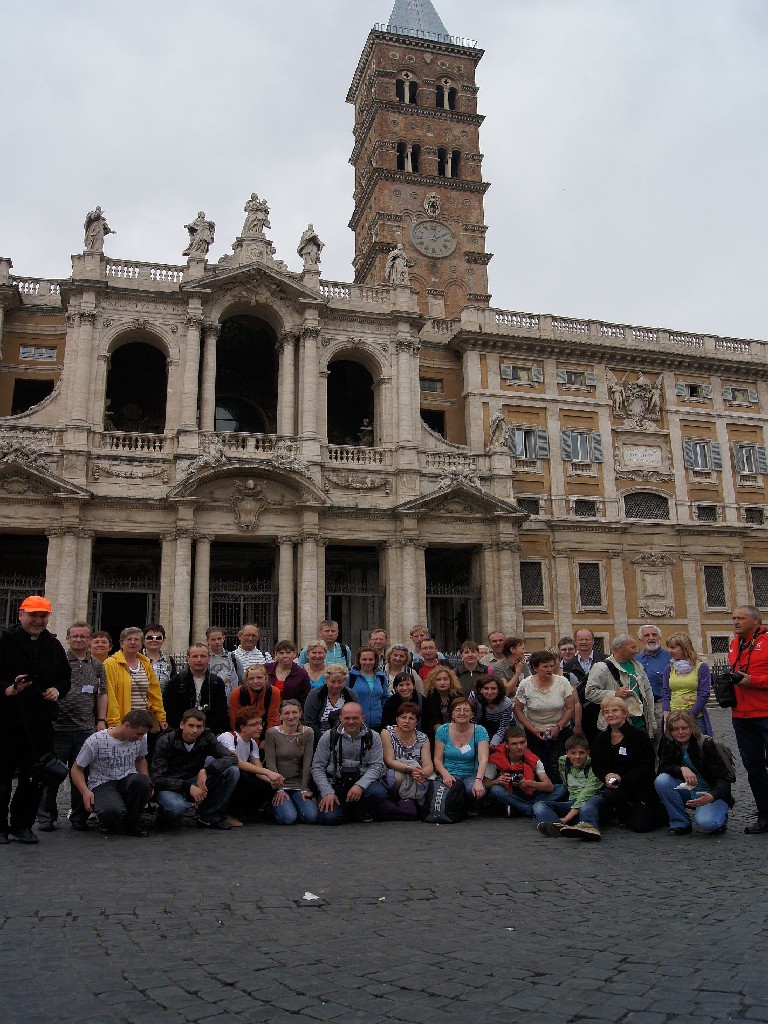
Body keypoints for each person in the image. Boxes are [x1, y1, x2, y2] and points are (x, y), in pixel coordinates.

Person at [0, 595, 72, 844]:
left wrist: (57, 690)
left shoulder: (52, 645)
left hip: (39, 723)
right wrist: (9, 689)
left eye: (43, 616)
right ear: (20, 615)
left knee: (34, 778)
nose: (38, 621)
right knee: (2, 778)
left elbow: (64, 677)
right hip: (7, 722)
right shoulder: (4, 641)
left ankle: (22, 825)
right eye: (33, 615)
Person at [37, 621, 107, 833]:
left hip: (85, 728)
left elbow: (102, 694)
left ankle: (79, 816)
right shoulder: (56, 661)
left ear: (89, 639)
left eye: (83, 636)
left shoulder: (97, 666)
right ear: (67, 639)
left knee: (82, 775)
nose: (78, 639)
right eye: (74, 636)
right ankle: (46, 817)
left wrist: (101, 719)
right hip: (57, 728)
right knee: (51, 774)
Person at [70, 709, 155, 837]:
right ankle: (107, 819)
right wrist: (85, 791)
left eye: (143, 734)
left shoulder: (141, 739)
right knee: (111, 811)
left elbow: (141, 759)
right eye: (138, 734)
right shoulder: (96, 740)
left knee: (143, 782)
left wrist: (146, 780)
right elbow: (76, 769)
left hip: (128, 779)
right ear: (126, 726)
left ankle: (132, 821)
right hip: (102, 783)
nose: (140, 738)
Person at [151, 708, 239, 830]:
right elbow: (157, 778)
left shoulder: (207, 737)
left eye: (199, 726)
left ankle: (208, 815)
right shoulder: (166, 740)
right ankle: (164, 815)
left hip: (195, 780)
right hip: (170, 785)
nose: (194, 730)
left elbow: (231, 757)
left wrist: (206, 770)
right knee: (176, 808)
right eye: (191, 726)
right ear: (182, 725)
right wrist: (188, 787)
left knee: (232, 771)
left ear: (203, 727)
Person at [590, 697, 665, 833]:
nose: (610, 714)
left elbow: (647, 765)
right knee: (610, 796)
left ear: (624, 713)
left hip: (640, 788)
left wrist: (623, 779)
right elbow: (596, 765)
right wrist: (606, 776)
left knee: (640, 826)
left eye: (615, 711)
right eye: (606, 712)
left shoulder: (639, 736)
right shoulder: (601, 739)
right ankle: (624, 813)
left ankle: (657, 810)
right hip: (615, 788)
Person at [654, 711, 733, 836]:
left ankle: (720, 817)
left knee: (708, 823)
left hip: (710, 792)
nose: (680, 732)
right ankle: (680, 822)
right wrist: (681, 769)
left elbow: (724, 779)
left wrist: (712, 796)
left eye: (684, 728)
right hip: (688, 788)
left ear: (692, 727)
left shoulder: (705, 744)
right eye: (675, 729)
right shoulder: (668, 741)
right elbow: (665, 765)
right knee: (662, 781)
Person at [727, 605, 768, 834]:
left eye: (741, 618)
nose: (735, 622)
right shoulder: (735, 644)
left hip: (765, 713)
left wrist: (754, 681)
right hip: (741, 716)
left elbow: (754, 677)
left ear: (755, 621)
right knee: (753, 768)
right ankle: (764, 814)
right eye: (734, 618)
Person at [311, 703, 387, 824]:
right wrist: (327, 791)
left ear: (363, 718)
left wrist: (360, 785)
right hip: (335, 783)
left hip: (362, 782)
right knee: (329, 819)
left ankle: (358, 810)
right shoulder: (329, 736)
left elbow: (377, 766)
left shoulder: (373, 737)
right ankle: (349, 811)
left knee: (378, 793)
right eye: (347, 718)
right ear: (340, 718)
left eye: (355, 718)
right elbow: (317, 767)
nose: (351, 722)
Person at [513, 650, 575, 783]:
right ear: (535, 668)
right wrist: (532, 729)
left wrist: (559, 726)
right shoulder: (525, 684)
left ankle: (558, 790)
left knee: (556, 765)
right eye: (545, 666)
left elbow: (570, 708)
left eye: (552, 666)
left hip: (560, 730)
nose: (549, 669)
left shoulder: (562, 682)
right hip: (534, 731)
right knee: (538, 764)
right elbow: (518, 709)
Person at [219, 708, 284, 825]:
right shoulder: (228, 737)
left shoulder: (252, 743)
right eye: (254, 724)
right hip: (220, 778)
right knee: (243, 776)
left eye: (260, 723)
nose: (260, 728)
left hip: (236, 776)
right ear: (242, 727)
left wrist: (272, 781)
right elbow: (236, 761)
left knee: (267, 785)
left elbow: (258, 769)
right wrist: (268, 772)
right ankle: (225, 813)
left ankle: (244, 812)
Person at [534, 735, 605, 840]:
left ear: (588, 753)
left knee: (587, 804)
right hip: (572, 803)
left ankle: (589, 827)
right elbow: (565, 782)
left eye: (581, 753)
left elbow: (587, 794)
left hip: (593, 803)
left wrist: (567, 818)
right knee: (539, 806)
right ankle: (557, 827)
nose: (577, 757)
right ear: (567, 753)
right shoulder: (563, 761)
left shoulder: (595, 766)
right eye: (573, 753)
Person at [585, 634, 655, 736]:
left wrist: (652, 723)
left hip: (640, 724)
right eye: (633, 647)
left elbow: (648, 693)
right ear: (621, 648)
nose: (636, 651)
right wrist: (614, 694)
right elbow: (589, 693)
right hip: (614, 727)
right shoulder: (601, 667)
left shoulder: (638, 666)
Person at [104, 627, 167, 737]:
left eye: (136, 640)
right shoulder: (110, 664)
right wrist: (114, 723)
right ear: (122, 643)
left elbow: (154, 693)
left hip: (143, 722)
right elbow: (110, 696)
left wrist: (161, 717)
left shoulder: (145, 663)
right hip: (123, 722)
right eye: (129, 639)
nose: (133, 642)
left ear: (142, 644)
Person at [484, 725, 558, 817]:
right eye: (514, 744)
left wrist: (528, 783)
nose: (519, 747)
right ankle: (530, 809)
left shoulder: (533, 759)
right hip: (509, 793)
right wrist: (497, 781)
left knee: (560, 789)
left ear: (526, 742)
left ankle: (524, 807)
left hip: (530, 791)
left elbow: (549, 786)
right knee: (496, 790)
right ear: (506, 745)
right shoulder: (496, 758)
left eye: (522, 742)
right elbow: (486, 784)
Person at [264, 699, 317, 825]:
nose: (291, 716)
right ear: (280, 716)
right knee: (288, 818)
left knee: (311, 817)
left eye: (294, 712)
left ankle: (293, 804)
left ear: (300, 714)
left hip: (298, 784)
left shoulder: (308, 732)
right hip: (279, 784)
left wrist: (305, 788)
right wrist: (279, 789)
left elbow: (307, 762)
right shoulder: (271, 733)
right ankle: (273, 806)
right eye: (287, 713)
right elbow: (271, 764)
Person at [433, 697, 489, 812]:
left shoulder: (480, 730)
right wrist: (445, 774)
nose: (462, 713)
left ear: (472, 715)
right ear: (452, 714)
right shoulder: (443, 730)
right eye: (458, 710)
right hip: (449, 773)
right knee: (451, 790)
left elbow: (483, 759)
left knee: (471, 790)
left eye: (466, 710)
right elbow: (437, 759)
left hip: (471, 774)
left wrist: (478, 780)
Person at [163, 644, 229, 735]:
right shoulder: (176, 682)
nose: (199, 660)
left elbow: (221, 712)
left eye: (203, 656)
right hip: (181, 733)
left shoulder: (217, 682)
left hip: (209, 733)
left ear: (209, 658)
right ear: (188, 659)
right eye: (195, 656)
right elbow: (170, 711)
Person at [380, 702, 433, 816]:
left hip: (416, 771)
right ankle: (394, 800)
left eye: (411, 718)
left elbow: (428, 765)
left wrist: (422, 773)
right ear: (397, 719)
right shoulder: (387, 733)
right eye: (403, 717)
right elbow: (389, 761)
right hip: (395, 769)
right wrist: (410, 768)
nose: (407, 721)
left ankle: (411, 803)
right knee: (397, 778)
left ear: (417, 722)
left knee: (427, 778)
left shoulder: (423, 738)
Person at [661, 632, 712, 737]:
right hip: (672, 717)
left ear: (684, 647)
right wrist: (666, 716)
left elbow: (704, 695)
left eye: (673, 647)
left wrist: (688, 717)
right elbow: (666, 693)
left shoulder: (701, 667)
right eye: (669, 647)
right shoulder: (669, 669)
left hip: (695, 717)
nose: (670, 651)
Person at [563, 628, 606, 741]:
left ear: (593, 641)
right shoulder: (568, 665)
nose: (584, 642)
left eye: (587, 639)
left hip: (602, 709)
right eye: (580, 639)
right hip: (581, 713)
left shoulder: (605, 660)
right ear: (575, 642)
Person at [303, 663, 357, 744]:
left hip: (346, 738)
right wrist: (325, 741)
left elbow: (356, 719)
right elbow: (309, 723)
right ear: (326, 680)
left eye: (340, 682)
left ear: (345, 681)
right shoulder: (315, 695)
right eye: (332, 682)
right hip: (319, 739)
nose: (336, 685)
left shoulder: (351, 695)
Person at [636, 624, 671, 738]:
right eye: (646, 635)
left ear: (659, 638)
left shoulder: (669, 657)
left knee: (664, 739)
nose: (651, 638)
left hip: (661, 707)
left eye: (654, 635)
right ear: (641, 639)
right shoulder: (636, 660)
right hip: (641, 708)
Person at [420, 666, 463, 749]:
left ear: (451, 681)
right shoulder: (430, 697)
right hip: (435, 733)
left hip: (458, 729)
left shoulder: (458, 696)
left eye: (445, 679)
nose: (442, 682)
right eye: (438, 680)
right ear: (433, 682)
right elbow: (436, 720)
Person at [348, 645, 388, 731]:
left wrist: (383, 715)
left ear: (375, 660)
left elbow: (385, 698)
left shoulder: (381, 677)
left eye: (370, 659)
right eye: (364, 659)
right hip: (356, 723)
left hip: (378, 723)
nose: (367, 662)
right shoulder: (351, 677)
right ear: (359, 660)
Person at [229, 663, 280, 731]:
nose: (255, 681)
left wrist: (267, 736)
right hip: (244, 731)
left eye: (259, 677)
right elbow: (235, 721)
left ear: (266, 678)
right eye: (251, 678)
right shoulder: (237, 693)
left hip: (266, 730)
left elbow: (273, 719)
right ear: (246, 680)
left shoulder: (274, 692)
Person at [469, 675, 514, 747]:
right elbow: (471, 718)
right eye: (486, 688)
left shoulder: (506, 703)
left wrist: (492, 744)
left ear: (499, 690)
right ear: (480, 689)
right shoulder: (474, 696)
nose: (489, 692)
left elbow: (503, 727)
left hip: (499, 728)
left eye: (493, 688)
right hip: (479, 726)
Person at [266, 640, 310, 705]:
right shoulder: (266, 669)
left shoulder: (302, 674)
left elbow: (304, 698)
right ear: (276, 655)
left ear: (294, 654)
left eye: (288, 653)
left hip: (292, 710)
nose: (285, 656)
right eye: (281, 653)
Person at [142, 624, 176, 693]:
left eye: (158, 638)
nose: (154, 640)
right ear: (143, 640)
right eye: (150, 637)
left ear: (163, 640)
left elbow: (173, 686)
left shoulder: (169, 661)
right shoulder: (135, 658)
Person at [206, 627, 239, 698]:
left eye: (219, 639)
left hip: (231, 699)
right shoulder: (205, 659)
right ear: (207, 641)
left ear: (223, 638)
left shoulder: (233, 658)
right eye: (213, 640)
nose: (217, 642)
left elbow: (242, 679)